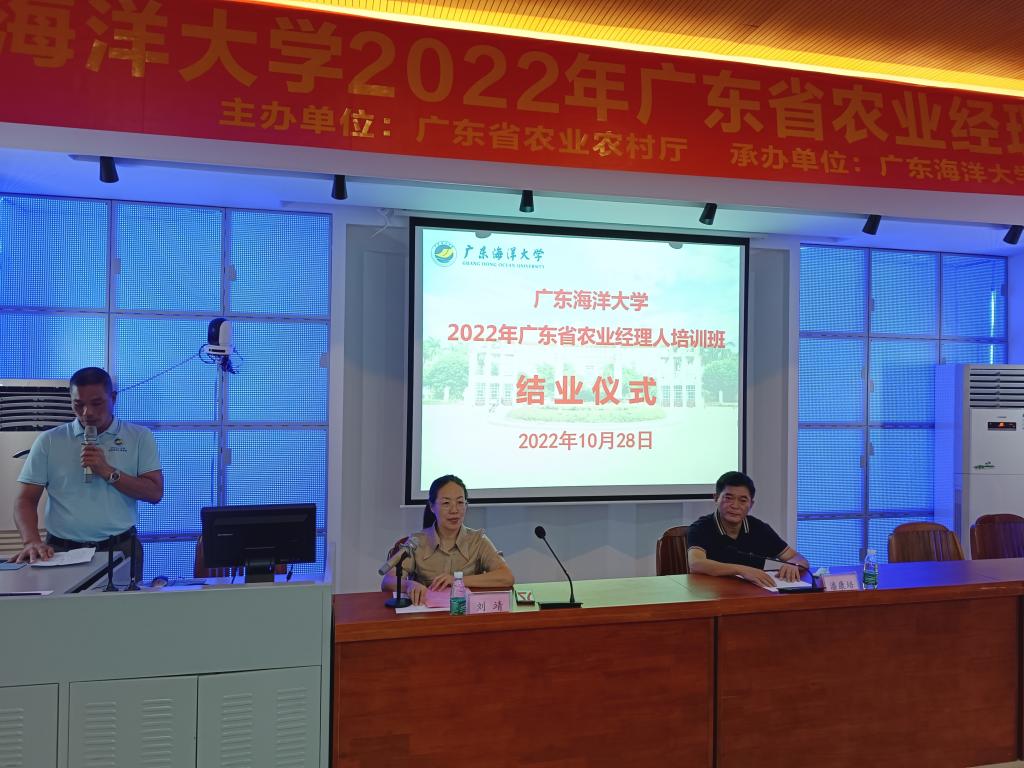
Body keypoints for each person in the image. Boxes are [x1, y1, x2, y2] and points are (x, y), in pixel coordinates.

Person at [10, 367, 164, 570]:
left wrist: (108, 471)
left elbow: (154, 493)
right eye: (78, 404)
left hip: (120, 548)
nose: (87, 412)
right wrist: (31, 541)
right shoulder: (49, 441)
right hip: (61, 550)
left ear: (113, 398)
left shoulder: (139, 437)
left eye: (97, 403)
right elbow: (25, 500)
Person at [380, 474, 514, 605]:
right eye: (446, 503)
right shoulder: (417, 542)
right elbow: (387, 582)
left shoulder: (478, 540)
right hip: (426, 614)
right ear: (432, 506)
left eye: (460, 502)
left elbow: (506, 577)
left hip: (465, 613)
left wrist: (458, 581)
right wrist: (409, 585)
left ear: (466, 505)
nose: (454, 510)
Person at [687, 471, 809, 588]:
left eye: (743, 500)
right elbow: (696, 564)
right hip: (714, 593)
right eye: (728, 498)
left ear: (751, 504)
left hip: (755, 592)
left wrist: (793, 565)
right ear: (716, 498)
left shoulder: (759, 528)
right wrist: (741, 570)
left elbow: (798, 558)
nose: (735, 506)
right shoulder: (701, 528)